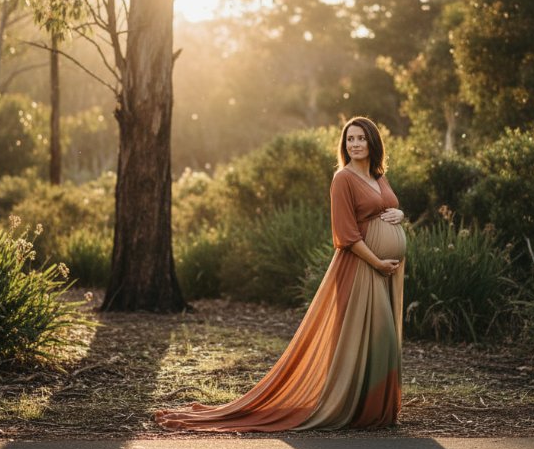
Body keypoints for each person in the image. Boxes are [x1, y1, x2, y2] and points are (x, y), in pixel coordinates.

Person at [155, 116, 407, 431]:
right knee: (375, 337)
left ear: (372, 142)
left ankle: (373, 408)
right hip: (361, 268)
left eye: (361, 138)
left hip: (384, 272)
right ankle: (360, 409)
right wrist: (378, 263)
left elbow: (387, 208)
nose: (355, 144)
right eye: (350, 139)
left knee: (380, 340)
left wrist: (399, 214)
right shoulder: (343, 179)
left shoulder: (378, 176)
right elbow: (346, 235)